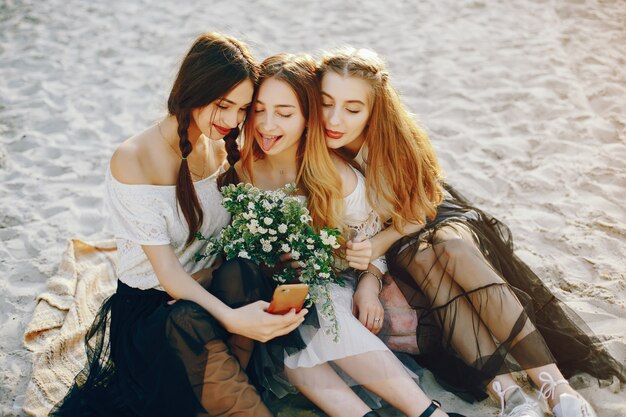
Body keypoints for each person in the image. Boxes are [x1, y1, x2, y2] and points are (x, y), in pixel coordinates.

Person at [317, 47, 626, 417]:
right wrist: (372, 260)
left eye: (352, 109)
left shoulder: (395, 141)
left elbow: (419, 211)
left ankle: (554, 386)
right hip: (398, 241)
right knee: (431, 271)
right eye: (326, 103)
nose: (335, 119)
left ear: (374, 110)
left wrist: (375, 245)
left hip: (429, 216)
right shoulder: (320, 150)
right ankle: (508, 393)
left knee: (453, 251)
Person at [50, 33, 308, 417]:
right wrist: (233, 317)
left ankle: (220, 391)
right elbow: (169, 274)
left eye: (242, 109)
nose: (233, 120)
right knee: (188, 319)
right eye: (223, 105)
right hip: (155, 312)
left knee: (244, 272)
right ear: (193, 90)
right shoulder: (134, 158)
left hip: (209, 288)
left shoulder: (221, 143)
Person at [225, 52, 465, 417]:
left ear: (308, 119)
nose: (267, 125)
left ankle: (427, 413)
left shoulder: (334, 175)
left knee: (323, 314)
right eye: (258, 109)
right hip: (277, 295)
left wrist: (369, 281)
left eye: (285, 114)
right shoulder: (243, 172)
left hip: (335, 285)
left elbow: (373, 237)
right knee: (290, 344)